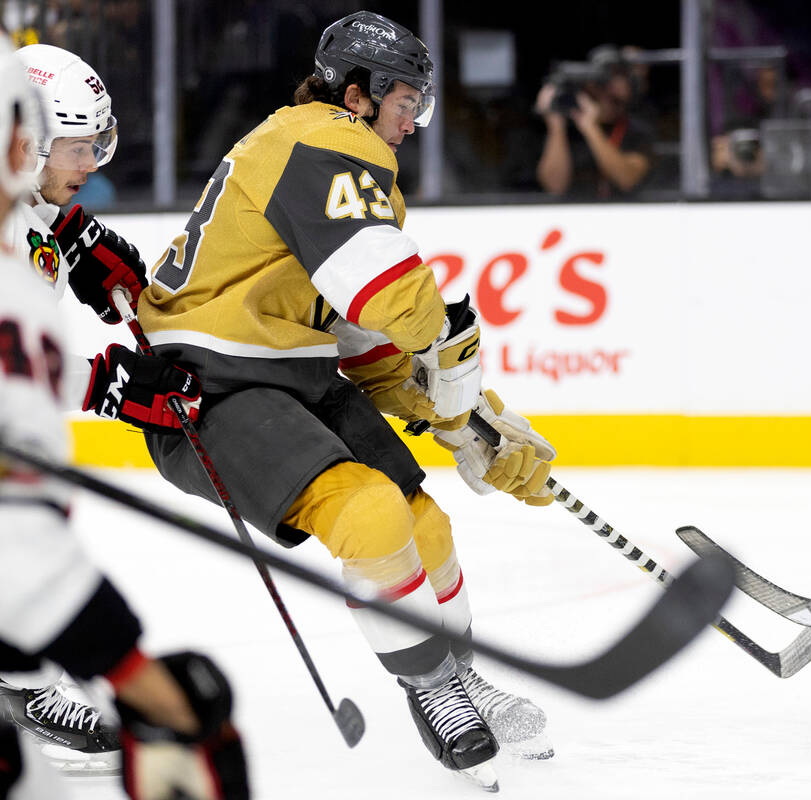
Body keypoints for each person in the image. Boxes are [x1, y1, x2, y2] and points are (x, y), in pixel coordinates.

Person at [136, 10, 557, 788]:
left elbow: (370, 342)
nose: (412, 123)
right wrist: (458, 384)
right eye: (406, 103)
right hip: (211, 381)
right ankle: (433, 690)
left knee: (422, 524)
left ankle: (459, 678)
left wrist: (465, 420)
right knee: (367, 510)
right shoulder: (326, 142)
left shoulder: (333, 162)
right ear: (358, 93)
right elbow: (399, 299)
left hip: (290, 371)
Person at [0, 37, 249, 800]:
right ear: (26, 139)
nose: (91, 164)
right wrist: (113, 386)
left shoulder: (26, 223)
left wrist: (70, 237)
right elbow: (16, 539)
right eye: (79, 146)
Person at [535, 45, 654, 199]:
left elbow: (627, 179)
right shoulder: (567, 130)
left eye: (615, 79)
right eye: (599, 83)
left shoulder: (638, 131)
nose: (606, 90)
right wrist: (556, 126)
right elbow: (554, 186)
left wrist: (590, 128)